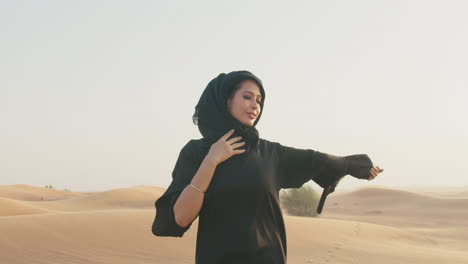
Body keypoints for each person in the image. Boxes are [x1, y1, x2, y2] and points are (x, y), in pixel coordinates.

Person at [151, 70, 384, 264]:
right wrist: (211, 161)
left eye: (259, 100)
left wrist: (358, 166)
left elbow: (316, 160)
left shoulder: (271, 154)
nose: (255, 105)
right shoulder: (197, 153)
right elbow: (180, 217)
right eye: (247, 97)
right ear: (226, 100)